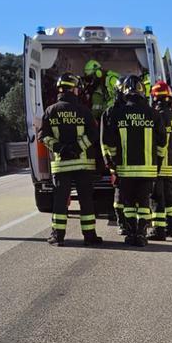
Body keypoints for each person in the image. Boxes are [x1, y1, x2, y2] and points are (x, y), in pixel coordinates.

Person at [102, 74, 168, 247]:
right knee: (144, 203)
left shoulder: (117, 114)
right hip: (148, 170)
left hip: (125, 170)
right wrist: (158, 162)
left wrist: (114, 163)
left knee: (129, 204)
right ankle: (141, 235)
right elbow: (163, 142)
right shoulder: (153, 114)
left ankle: (131, 234)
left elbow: (109, 142)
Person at [36, 73, 102, 246]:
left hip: (61, 164)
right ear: (74, 89)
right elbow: (94, 134)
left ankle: (58, 236)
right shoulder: (84, 111)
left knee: (60, 201)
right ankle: (90, 236)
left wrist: (60, 149)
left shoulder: (50, 111)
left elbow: (43, 136)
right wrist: (78, 148)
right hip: (83, 165)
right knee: (86, 200)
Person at [149, 79, 172, 241]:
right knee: (168, 196)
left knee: (156, 197)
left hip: (159, 163)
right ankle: (171, 227)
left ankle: (158, 230)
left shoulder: (157, 116)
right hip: (170, 163)